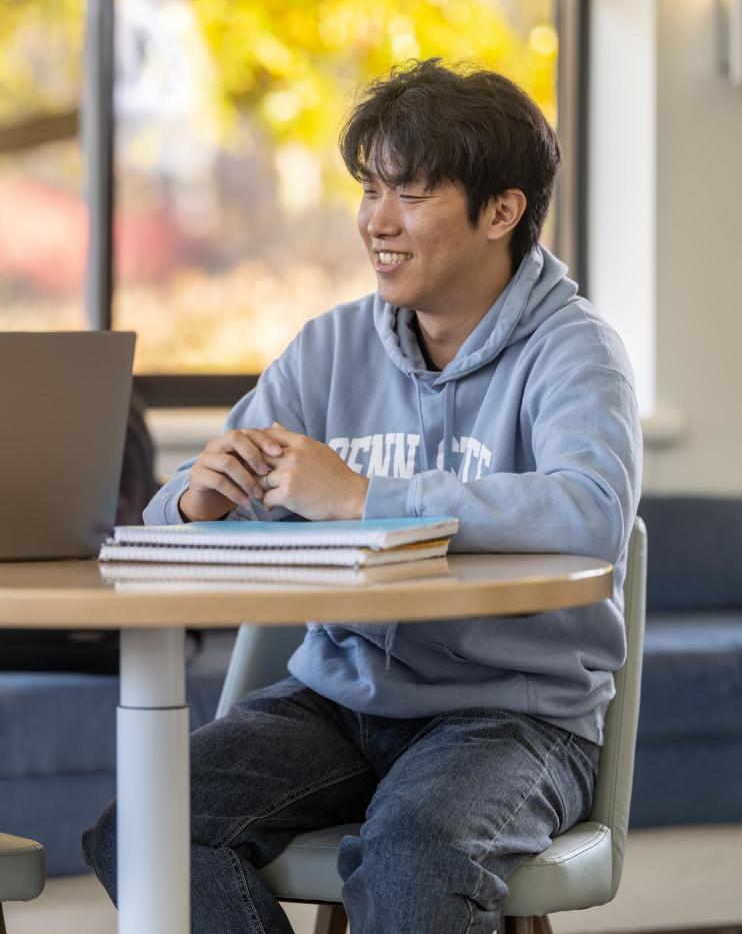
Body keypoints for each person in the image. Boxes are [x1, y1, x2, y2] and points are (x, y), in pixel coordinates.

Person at [82, 59, 642, 933]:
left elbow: (591, 514)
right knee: (145, 830)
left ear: (503, 211)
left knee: (416, 851)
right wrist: (199, 499)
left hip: (512, 716)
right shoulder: (330, 347)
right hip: (341, 703)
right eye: (370, 188)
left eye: (410, 194)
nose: (376, 221)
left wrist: (364, 497)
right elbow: (175, 513)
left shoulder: (576, 352)